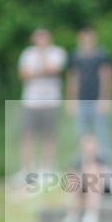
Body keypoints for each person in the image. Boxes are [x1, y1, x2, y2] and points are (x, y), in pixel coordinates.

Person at [16, 29, 67, 179]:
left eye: (44, 38)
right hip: (31, 102)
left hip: (51, 102)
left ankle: (47, 168)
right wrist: (42, 71)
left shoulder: (57, 52)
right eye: (39, 38)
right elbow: (23, 74)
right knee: (28, 136)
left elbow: (54, 70)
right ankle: (27, 170)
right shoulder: (27, 54)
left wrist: (41, 62)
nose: (41, 41)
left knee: (49, 135)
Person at [67, 27, 112, 163]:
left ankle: (105, 161)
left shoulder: (101, 54)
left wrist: (105, 98)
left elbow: (106, 76)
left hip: (96, 100)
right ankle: (83, 161)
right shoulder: (75, 56)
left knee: (101, 132)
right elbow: (73, 78)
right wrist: (71, 100)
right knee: (81, 132)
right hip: (81, 100)